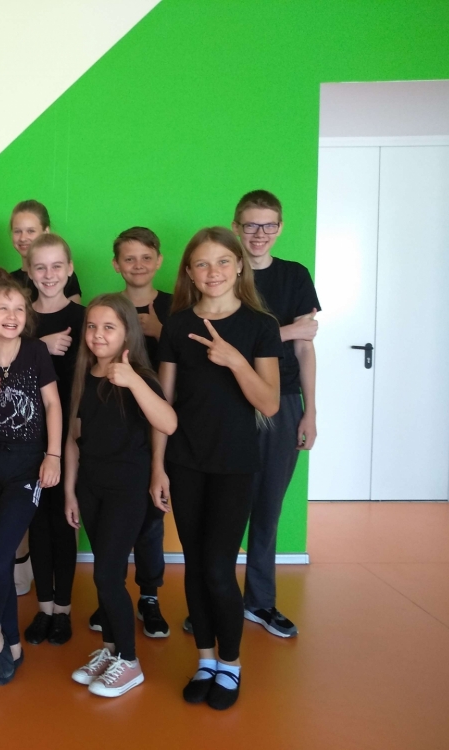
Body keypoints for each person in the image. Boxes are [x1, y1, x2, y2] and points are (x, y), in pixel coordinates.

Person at [151, 227, 282, 710]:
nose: (213, 272)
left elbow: (269, 402)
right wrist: (158, 467)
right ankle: (205, 659)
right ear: (189, 271)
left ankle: (230, 664)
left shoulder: (260, 326)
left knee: (218, 568)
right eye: (202, 264)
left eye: (223, 261)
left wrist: (234, 361)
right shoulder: (176, 324)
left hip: (234, 465)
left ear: (239, 266)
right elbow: (164, 405)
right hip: (185, 462)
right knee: (193, 564)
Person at [65, 294, 177, 697]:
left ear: (127, 332)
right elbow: (74, 439)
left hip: (126, 490)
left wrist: (132, 381)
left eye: (108, 327)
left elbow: (168, 422)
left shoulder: (140, 376)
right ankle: (111, 649)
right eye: (92, 326)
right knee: (104, 571)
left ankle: (129, 662)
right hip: (91, 488)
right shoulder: (85, 374)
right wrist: (70, 492)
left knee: (107, 575)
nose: (98, 334)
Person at [0, 273, 63, 685]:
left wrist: (53, 455)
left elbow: (52, 405)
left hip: (26, 464)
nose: (12, 315)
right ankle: (12, 640)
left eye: (19, 309)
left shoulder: (36, 352)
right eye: (3, 308)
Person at [232, 190, 320, 639]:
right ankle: (217, 602)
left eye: (268, 225)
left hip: (285, 401)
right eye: (251, 225)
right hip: (230, 401)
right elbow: (226, 345)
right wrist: (285, 330)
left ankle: (260, 602)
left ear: (280, 228)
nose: (259, 233)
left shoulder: (294, 276)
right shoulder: (224, 274)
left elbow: (306, 347)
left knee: (267, 508)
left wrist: (310, 411)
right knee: (227, 508)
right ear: (236, 227)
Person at [86, 226, 173, 638]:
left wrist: (160, 331)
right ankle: (112, 595)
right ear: (116, 264)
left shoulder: (172, 308)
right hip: (111, 437)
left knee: (150, 523)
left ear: (159, 260)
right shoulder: (108, 313)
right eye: (129, 258)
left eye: (145, 257)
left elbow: (168, 410)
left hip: (154, 428)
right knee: (112, 536)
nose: (137, 265)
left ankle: (149, 597)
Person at [22, 234, 85, 646]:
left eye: (57, 266)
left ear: (70, 268)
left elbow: (91, 376)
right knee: (37, 523)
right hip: (26, 437)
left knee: (64, 521)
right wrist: (38, 347)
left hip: (71, 439)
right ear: (29, 272)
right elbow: (3, 366)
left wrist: (77, 429)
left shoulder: (85, 317)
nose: (49, 275)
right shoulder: (21, 319)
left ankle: (63, 609)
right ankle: (44, 607)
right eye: (40, 267)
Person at [8, 200, 81, 303]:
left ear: (45, 231)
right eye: (17, 231)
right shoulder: (9, 280)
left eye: (31, 231)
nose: (23, 238)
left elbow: (73, 311)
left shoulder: (63, 276)